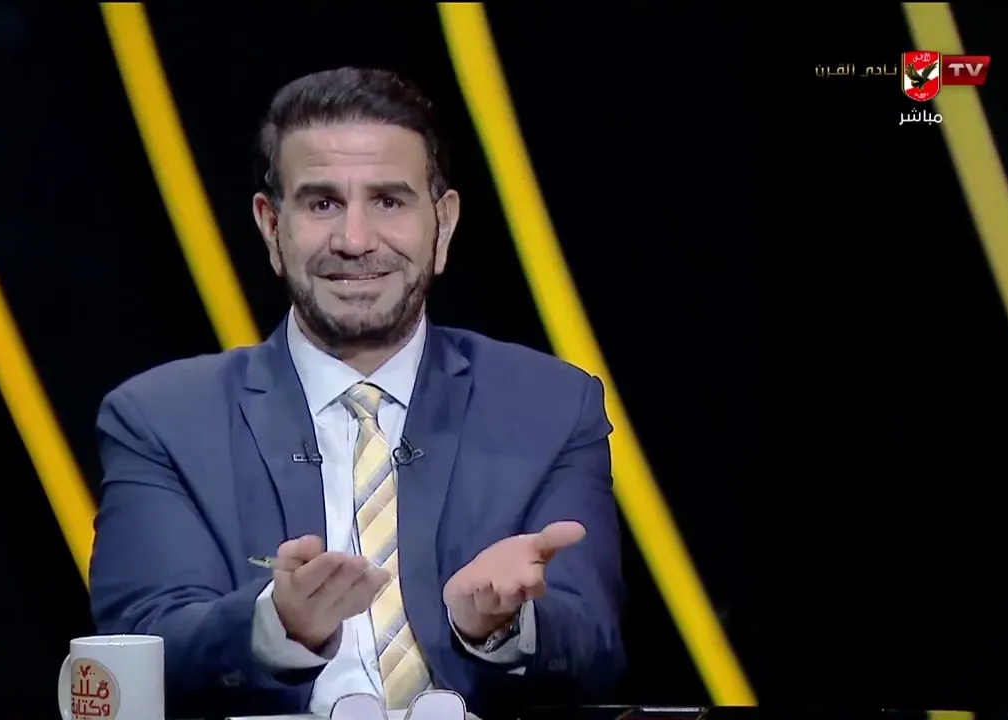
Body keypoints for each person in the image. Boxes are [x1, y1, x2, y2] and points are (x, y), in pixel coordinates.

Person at [88, 67, 625, 719]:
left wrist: (505, 627)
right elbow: (139, 651)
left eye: (389, 202)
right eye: (322, 204)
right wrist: (276, 624)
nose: (354, 240)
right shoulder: (160, 418)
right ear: (270, 226)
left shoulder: (552, 405)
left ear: (444, 223)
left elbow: (595, 649)